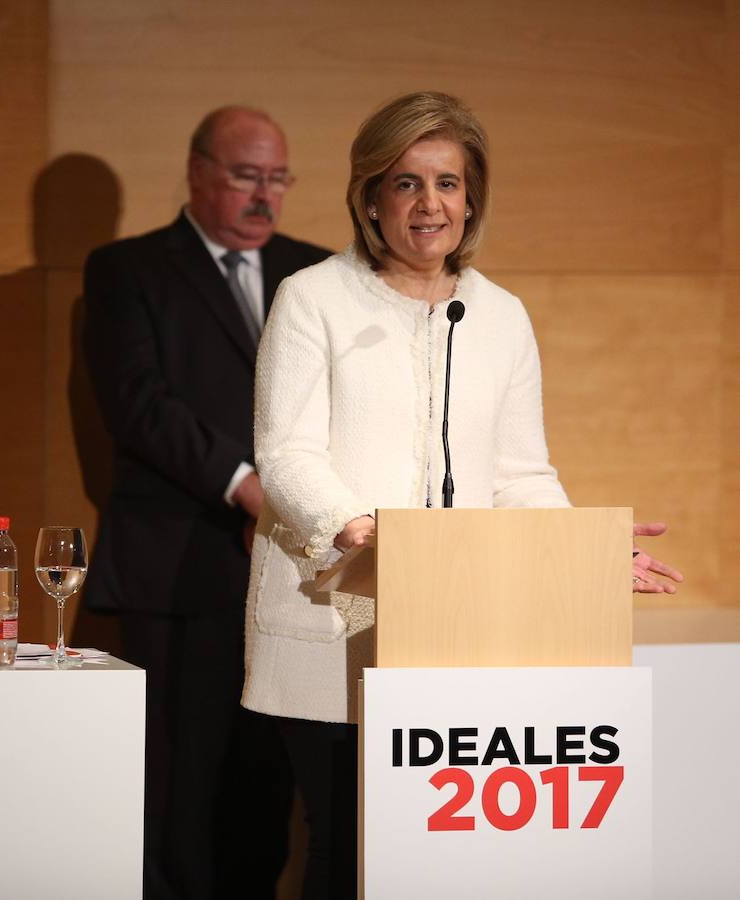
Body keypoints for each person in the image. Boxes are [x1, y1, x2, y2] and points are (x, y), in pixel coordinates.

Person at [240, 91, 684, 899]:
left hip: (455, 619)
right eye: (405, 183)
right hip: (333, 618)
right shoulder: (313, 298)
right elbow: (286, 451)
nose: (428, 204)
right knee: (343, 843)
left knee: (433, 857)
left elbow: (521, 475)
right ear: (370, 196)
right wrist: (355, 526)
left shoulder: (501, 317)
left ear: (471, 197)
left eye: (447, 183)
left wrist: (586, 554)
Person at [81, 106, 332, 900]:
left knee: (268, 785)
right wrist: (250, 485)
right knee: (179, 785)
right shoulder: (127, 271)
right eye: (245, 175)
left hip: (297, 577)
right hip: (182, 569)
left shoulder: (319, 274)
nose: (265, 196)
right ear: (195, 171)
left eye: (278, 178)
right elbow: (139, 403)